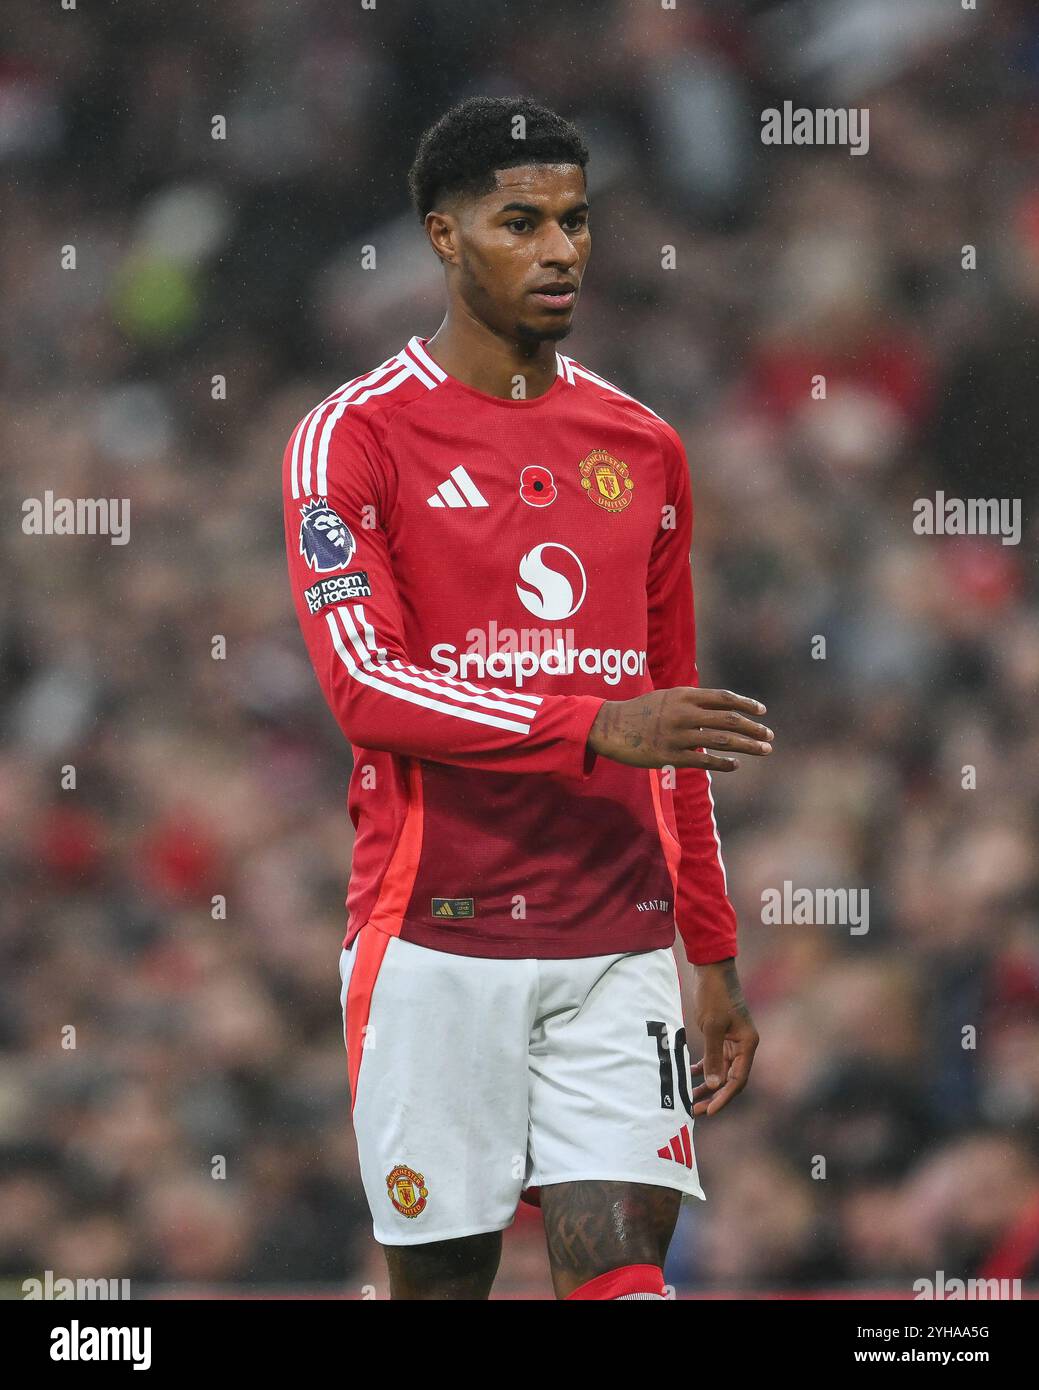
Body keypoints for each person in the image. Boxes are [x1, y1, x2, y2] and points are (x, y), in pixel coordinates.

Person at [281, 95, 775, 1300]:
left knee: (622, 1280)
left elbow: (678, 728)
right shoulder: (351, 441)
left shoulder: (642, 445)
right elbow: (369, 689)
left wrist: (707, 949)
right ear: (443, 238)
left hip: (615, 942)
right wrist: (593, 724)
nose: (561, 249)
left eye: (575, 220)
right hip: (436, 938)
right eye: (520, 222)